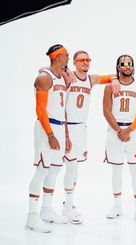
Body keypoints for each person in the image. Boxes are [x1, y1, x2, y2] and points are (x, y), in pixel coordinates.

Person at [62, 50, 119, 224]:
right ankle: (64, 206)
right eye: (82, 60)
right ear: (75, 62)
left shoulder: (90, 79)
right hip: (66, 126)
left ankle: (68, 203)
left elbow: (108, 77)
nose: (86, 62)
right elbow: (43, 69)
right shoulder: (66, 77)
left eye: (88, 59)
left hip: (81, 128)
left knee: (74, 167)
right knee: (65, 168)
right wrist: (65, 69)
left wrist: (115, 79)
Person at [25, 44, 72, 233]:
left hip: (60, 126)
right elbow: (40, 110)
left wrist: (66, 135)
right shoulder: (44, 78)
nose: (68, 58)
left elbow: (63, 109)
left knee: (54, 170)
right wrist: (51, 134)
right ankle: (32, 217)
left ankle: (46, 210)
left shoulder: (60, 78)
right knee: (41, 170)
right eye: (67, 55)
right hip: (47, 128)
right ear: (59, 57)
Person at [103, 54, 136, 224]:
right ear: (118, 67)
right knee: (116, 171)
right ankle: (117, 206)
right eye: (123, 64)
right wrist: (118, 130)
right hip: (115, 132)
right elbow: (106, 111)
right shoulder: (109, 88)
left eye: (130, 64)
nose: (127, 66)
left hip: (133, 132)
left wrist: (128, 130)